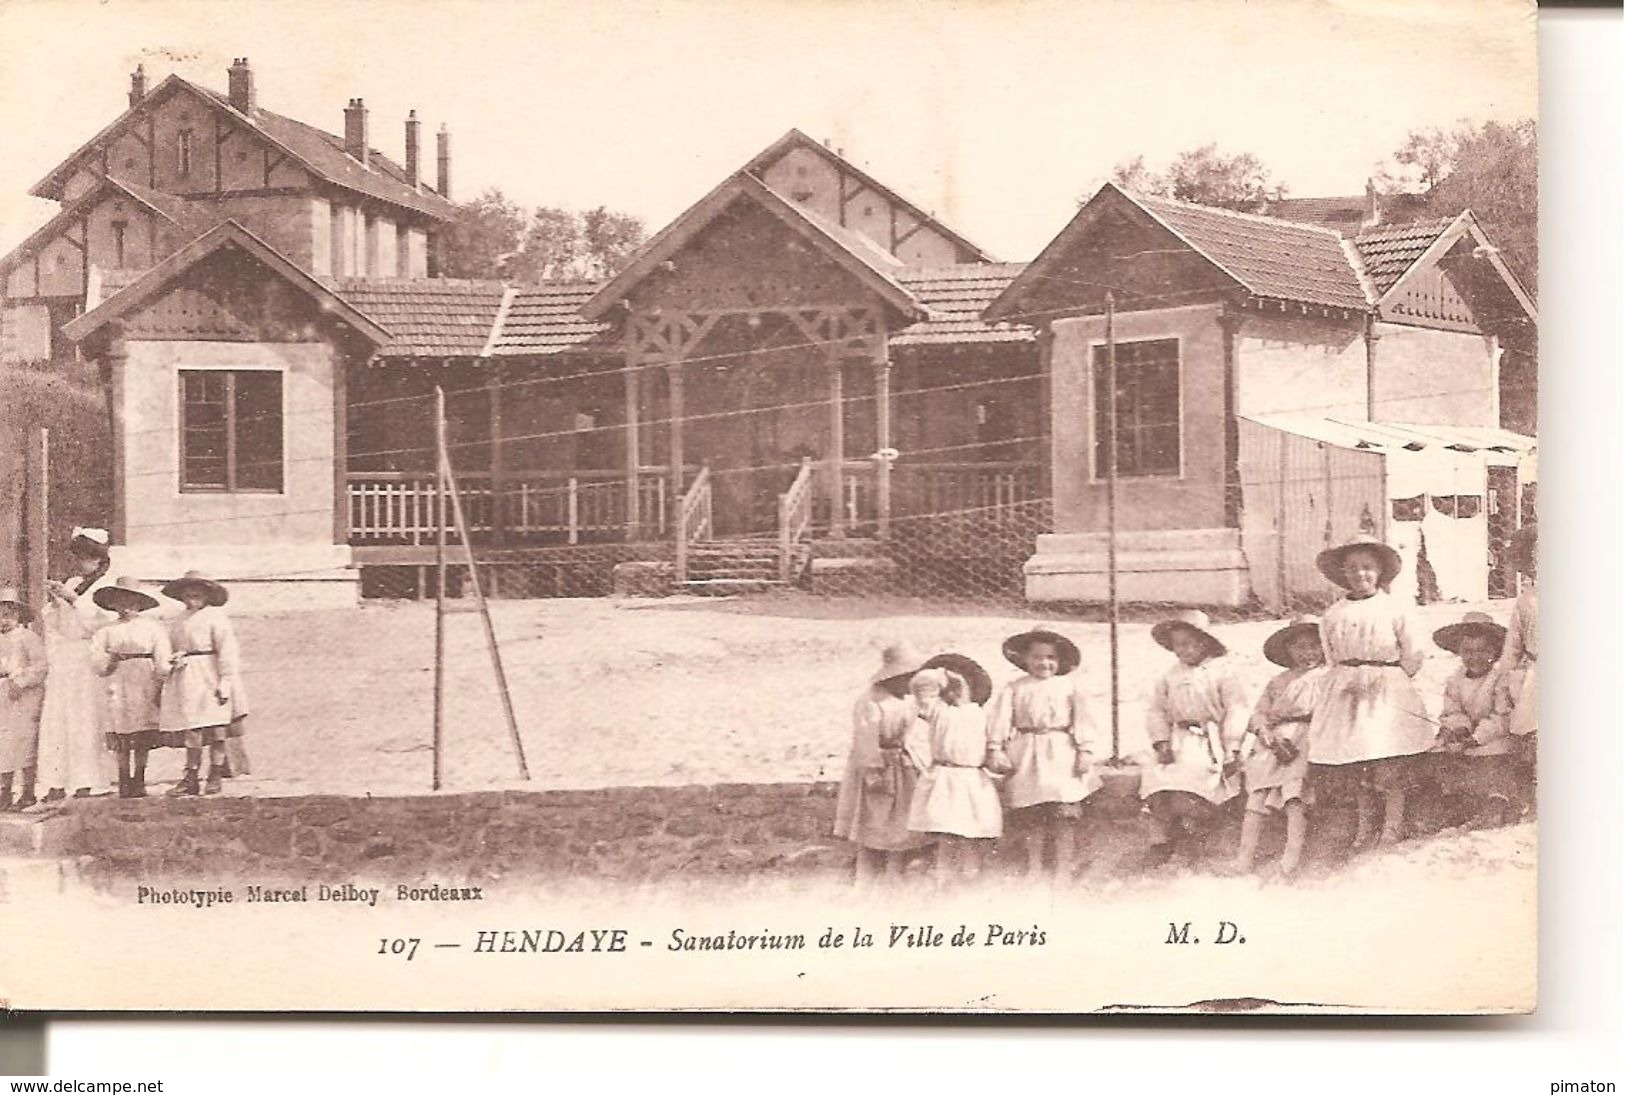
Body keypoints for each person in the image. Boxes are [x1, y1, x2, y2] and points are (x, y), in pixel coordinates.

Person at [1308, 535, 1433, 850]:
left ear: (1379, 572)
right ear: (1343, 573)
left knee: (1387, 757)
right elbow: (1330, 655)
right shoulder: (1333, 614)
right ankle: (1366, 827)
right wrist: (1347, 679)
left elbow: (1413, 654)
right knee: (1356, 762)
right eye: (1352, 568)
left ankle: (1393, 825)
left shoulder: (1394, 608)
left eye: (1367, 567)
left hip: (1386, 685)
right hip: (1345, 689)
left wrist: (1389, 679)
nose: (1360, 574)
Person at [986, 628, 1101, 881]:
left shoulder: (1069, 687)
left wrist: (1085, 749)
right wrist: (995, 748)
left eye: (1051, 658)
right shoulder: (1014, 688)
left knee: (1064, 812)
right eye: (1037, 657)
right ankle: (1035, 866)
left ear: (1059, 661)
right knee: (1032, 813)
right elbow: (1000, 720)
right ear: (1025, 659)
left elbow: (1084, 719)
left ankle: (1063, 866)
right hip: (1026, 752)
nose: (1044, 663)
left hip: (1060, 752)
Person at [1140, 610, 1250, 869]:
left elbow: (1237, 707)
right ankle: (1161, 840)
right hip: (1178, 739)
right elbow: (1157, 709)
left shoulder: (1223, 673)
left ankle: (1193, 834)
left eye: (1189, 643)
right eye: (1178, 645)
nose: (1183, 650)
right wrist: (1161, 741)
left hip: (1208, 739)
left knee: (1197, 778)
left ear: (1205, 643)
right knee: (1157, 778)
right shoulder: (1170, 676)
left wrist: (1232, 745)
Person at [1232, 616, 1325, 877]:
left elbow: (1330, 712)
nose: (1307, 653)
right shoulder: (1278, 682)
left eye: (1313, 646)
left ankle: (1291, 856)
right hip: (1274, 741)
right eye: (1299, 648)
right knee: (1258, 795)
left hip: (1307, 737)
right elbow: (1259, 712)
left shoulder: (1326, 678)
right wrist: (1264, 731)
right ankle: (1245, 856)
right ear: (1288, 651)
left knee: (1294, 795)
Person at [833, 641, 931, 884]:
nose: (910, 683)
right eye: (907, 676)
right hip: (878, 763)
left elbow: (928, 714)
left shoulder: (908, 699)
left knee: (901, 820)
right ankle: (865, 877)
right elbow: (865, 738)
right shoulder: (872, 701)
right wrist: (873, 771)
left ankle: (894, 872)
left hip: (902, 762)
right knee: (875, 819)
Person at [34, 527, 116, 802]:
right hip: (65, 658)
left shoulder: (108, 587)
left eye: (87, 557)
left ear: (100, 561)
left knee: (84, 719)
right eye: (79, 557)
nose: (81, 562)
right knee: (57, 719)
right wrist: (57, 603)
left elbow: (103, 623)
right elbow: (54, 623)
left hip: (88, 657)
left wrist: (74, 602)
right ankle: (55, 782)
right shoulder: (72, 582)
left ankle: (87, 780)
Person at [906, 654, 1001, 887]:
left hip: (972, 779)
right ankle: (944, 877)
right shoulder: (938, 712)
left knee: (971, 832)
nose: (957, 691)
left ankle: (971, 876)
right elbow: (920, 685)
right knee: (947, 832)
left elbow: (994, 741)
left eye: (963, 686)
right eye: (950, 688)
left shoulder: (979, 713)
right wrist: (942, 676)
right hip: (945, 778)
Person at [1431, 611, 1518, 828]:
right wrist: (1459, 729)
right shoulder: (1455, 680)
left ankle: (1496, 802)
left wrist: (1476, 738)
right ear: (1459, 652)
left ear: (1495, 652)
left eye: (1482, 651)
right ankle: (1460, 801)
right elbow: (1452, 711)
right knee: (1443, 755)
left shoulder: (1500, 679)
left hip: (1493, 738)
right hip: (1467, 737)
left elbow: (1502, 716)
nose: (1475, 657)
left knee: (1492, 762)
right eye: (1468, 651)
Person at [158, 571, 242, 797]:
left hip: (211, 673)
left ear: (207, 594)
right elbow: (171, 647)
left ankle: (215, 774)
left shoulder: (216, 618)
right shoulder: (178, 620)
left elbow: (227, 651)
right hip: (187, 677)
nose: (192, 596)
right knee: (192, 729)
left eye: (197, 592)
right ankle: (191, 777)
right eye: (187, 592)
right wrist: (174, 658)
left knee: (216, 728)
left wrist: (225, 681)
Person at [90, 577, 172, 799]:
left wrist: (162, 677)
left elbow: (162, 657)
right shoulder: (106, 630)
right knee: (122, 730)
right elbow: (96, 659)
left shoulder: (152, 628)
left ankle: (140, 776)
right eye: (121, 602)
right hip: (118, 679)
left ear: (140, 605)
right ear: (113, 605)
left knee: (142, 731)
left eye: (132, 602)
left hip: (144, 679)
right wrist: (111, 659)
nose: (126, 607)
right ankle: (124, 778)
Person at [1495, 524, 1537, 803]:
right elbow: (1513, 645)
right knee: (1536, 737)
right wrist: (1505, 679)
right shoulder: (1526, 601)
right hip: (1540, 673)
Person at [0, 588, 47, 811]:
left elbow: (40, 666)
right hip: (2, 696)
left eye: (8, 614)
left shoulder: (29, 638)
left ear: (19, 616)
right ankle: (4, 792)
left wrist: (20, 681)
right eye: (0, 614)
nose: (3, 619)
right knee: (3, 743)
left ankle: (28, 791)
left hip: (24, 696)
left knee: (25, 741)